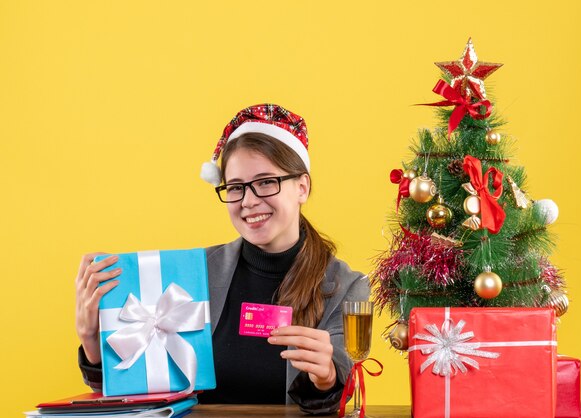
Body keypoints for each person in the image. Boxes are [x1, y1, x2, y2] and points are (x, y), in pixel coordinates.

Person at [75, 103, 369, 413]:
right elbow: (139, 391)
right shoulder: (194, 271)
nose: (249, 201)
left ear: (301, 187)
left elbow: (331, 403)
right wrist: (92, 342)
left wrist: (327, 377)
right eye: (236, 187)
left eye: (266, 181)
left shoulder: (347, 287)